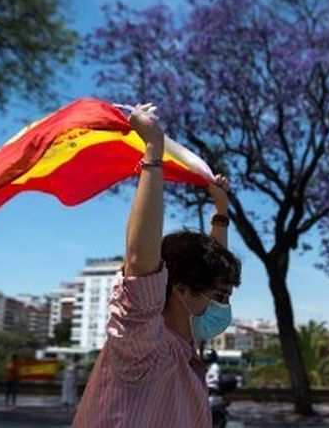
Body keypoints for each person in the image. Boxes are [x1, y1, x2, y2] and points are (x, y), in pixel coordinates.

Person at [73, 103, 241, 428]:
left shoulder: (183, 349)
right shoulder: (145, 347)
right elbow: (139, 260)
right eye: (220, 296)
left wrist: (220, 212)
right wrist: (153, 150)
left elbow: (212, 271)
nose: (224, 307)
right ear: (182, 289)